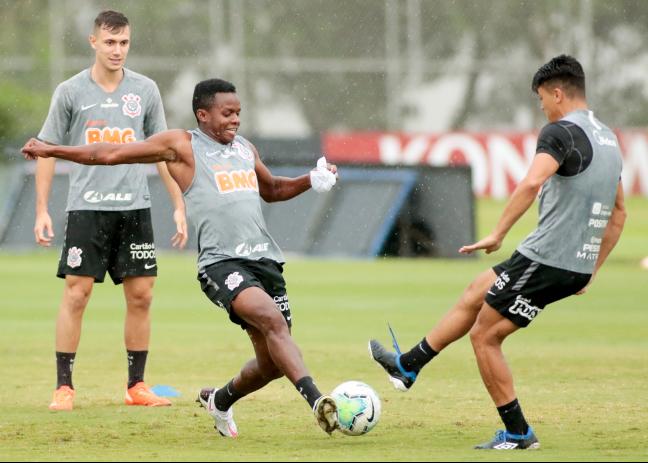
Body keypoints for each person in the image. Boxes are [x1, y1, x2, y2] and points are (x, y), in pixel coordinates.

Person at [22, 78, 341, 437]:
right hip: (222, 263)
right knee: (272, 322)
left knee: (272, 363)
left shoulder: (244, 148)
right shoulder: (181, 145)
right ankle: (317, 401)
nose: (235, 120)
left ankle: (220, 399)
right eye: (227, 113)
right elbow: (108, 154)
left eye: (238, 113)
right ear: (203, 115)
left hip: (265, 260)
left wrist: (309, 179)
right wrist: (53, 151)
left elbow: (272, 190)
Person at [368, 55, 626, 450]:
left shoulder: (560, 133)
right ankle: (408, 366)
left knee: (485, 337)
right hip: (567, 263)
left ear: (558, 93)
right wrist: (590, 270)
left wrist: (497, 232)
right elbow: (618, 214)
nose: (542, 107)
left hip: (546, 259)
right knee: (478, 290)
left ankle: (519, 432)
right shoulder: (609, 140)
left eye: (542, 99)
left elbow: (530, 183)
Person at [33, 10, 187, 411]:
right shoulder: (70, 92)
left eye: (124, 43)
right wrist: (41, 209)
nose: (117, 50)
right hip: (87, 209)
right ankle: (64, 387)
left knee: (141, 296)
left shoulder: (146, 90)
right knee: (77, 293)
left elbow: (163, 151)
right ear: (94, 42)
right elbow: (47, 150)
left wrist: (177, 205)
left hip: (135, 209)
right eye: (110, 42)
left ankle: (136, 386)